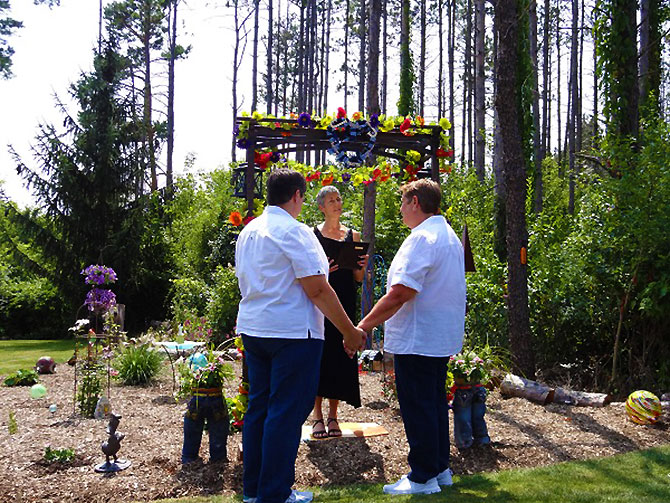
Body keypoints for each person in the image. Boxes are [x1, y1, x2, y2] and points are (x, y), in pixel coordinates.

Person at [235, 169, 367, 503]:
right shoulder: (295, 232)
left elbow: (269, 277)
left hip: (254, 329)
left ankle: (254, 490)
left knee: (259, 409)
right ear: (296, 195)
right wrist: (350, 331)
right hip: (292, 334)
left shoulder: (249, 231)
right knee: (285, 412)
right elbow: (318, 290)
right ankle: (275, 493)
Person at [357, 179, 466, 496]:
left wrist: (362, 326)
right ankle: (439, 469)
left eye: (403, 203)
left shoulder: (422, 238)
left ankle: (421, 477)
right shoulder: (447, 237)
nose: (401, 210)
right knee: (432, 404)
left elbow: (401, 292)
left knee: (419, 406)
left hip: (418, 338)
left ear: (415, 202)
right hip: (437, 338)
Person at [311, 186, 369, 439]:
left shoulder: (352, 236)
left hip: (345, 301)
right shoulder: (312, 235)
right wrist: (326, 272)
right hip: (321, 303)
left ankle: (334, 416)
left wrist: (362, 267)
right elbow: (309, 273)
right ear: (322, 207)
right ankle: (317, 417)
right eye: (331, 200)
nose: (337, 203)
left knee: (339, 356)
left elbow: (357, 278)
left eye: (339, 199)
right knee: (319, 356)